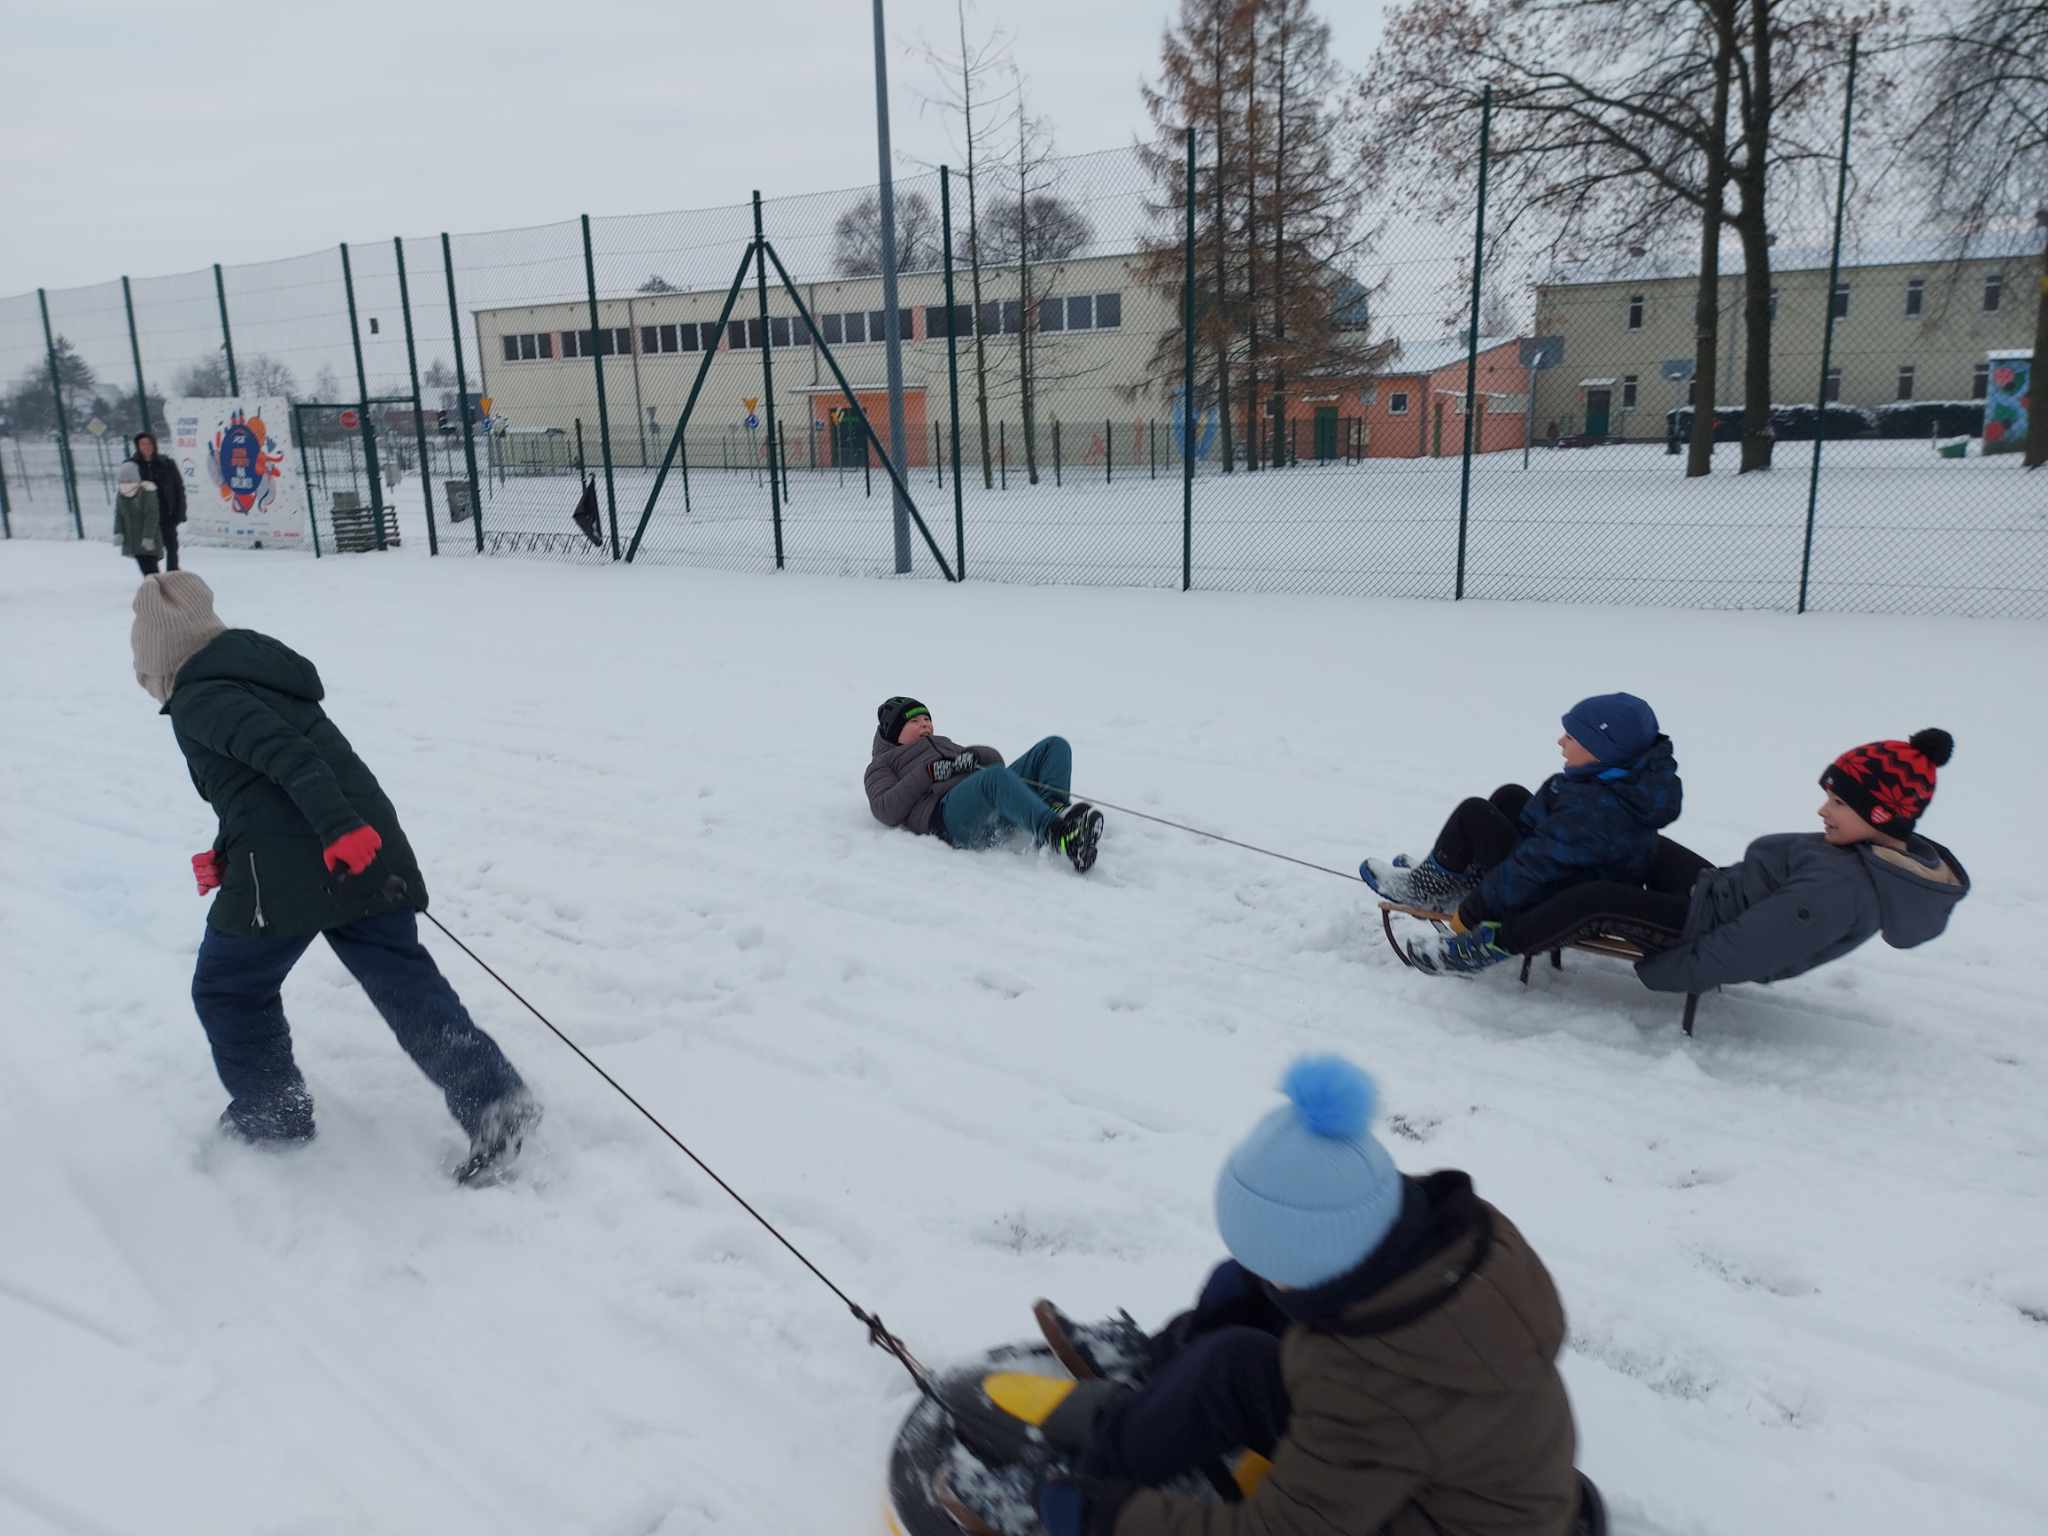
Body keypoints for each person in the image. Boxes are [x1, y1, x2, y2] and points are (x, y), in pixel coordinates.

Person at [949, 1056, 1593, 1536]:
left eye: (1274, 1265)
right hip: (1441, 1457)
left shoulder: (1369, 1394)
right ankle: (1141, 1403)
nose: (1265, 1275)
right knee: (1234, 1334)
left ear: (1316, 1263)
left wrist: (1105, 1517)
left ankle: (1091, 1483)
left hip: (1427, 1518)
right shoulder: (1426, 1241)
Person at [131, 572, 537, 1180]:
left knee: (229, 988)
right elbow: (258, 786)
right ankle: (494, 1100)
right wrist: (228, 849)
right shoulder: (254, 679)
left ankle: (274, 1112)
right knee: (402, 980)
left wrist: (336, 829)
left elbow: (292, 759)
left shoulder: (201, 697)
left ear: (159, 659)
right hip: (358, 843)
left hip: (302, 861)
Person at [1406, 729, 1968, 992]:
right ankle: (1508, 875)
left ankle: (1486, 945)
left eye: (1839, 803)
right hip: (1716, 889)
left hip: (1703, 922)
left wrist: (1671, 971)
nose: (1823, 809)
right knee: (1627, 842)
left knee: (1593, 899)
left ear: (1883, 813)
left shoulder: (1840, 887)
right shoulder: (1860, 851)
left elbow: (1756, 946)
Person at [1363, 693, 1682, 976]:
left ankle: (1425, 888)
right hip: (1576, 871)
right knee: (1511, 796)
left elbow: (1532, 867)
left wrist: (1474, 910)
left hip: (1553, 895)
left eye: (1571, 737)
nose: (1560, 741)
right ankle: (1463, 879)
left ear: (1603, 751)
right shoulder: (1618, 785)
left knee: (1474, 814)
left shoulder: (1595, 812)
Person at [864, 695, 1104, 872]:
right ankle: (1059, 835)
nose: (925, 724)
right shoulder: (882, 765)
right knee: (995, 777)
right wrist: (928, 773)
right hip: (946, 818)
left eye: (927, 718)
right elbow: (885, 809)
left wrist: (973, 755)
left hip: (983, 803)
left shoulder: (942, 742)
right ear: (894, 733)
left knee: (1054, 746)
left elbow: (995, 763)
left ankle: (1056, 809)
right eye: (914, 721)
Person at [128, 431, 186, 573]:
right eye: (142, 444)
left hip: (166, 513)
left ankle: (173, 573)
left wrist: (180, 512)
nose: (146, 447)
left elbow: (178, 489)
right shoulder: (131, 466)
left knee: (172, 546)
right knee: (148, 548)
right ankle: (153, 577)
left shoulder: (167, 463)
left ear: (154, 445)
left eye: (149, 443)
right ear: (137, 446)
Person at [114, 460, 165, 574]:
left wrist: (148, 537)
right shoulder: (121, 494)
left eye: (129, 480)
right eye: (123, 480)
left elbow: (152, 515)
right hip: (132, 538)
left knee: (150, 567)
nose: (126, 483)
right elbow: (118, 514)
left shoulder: (147, 492)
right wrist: (118, 532)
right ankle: (152, 586)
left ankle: (156, 587)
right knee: (143, 565)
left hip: (148, 538)